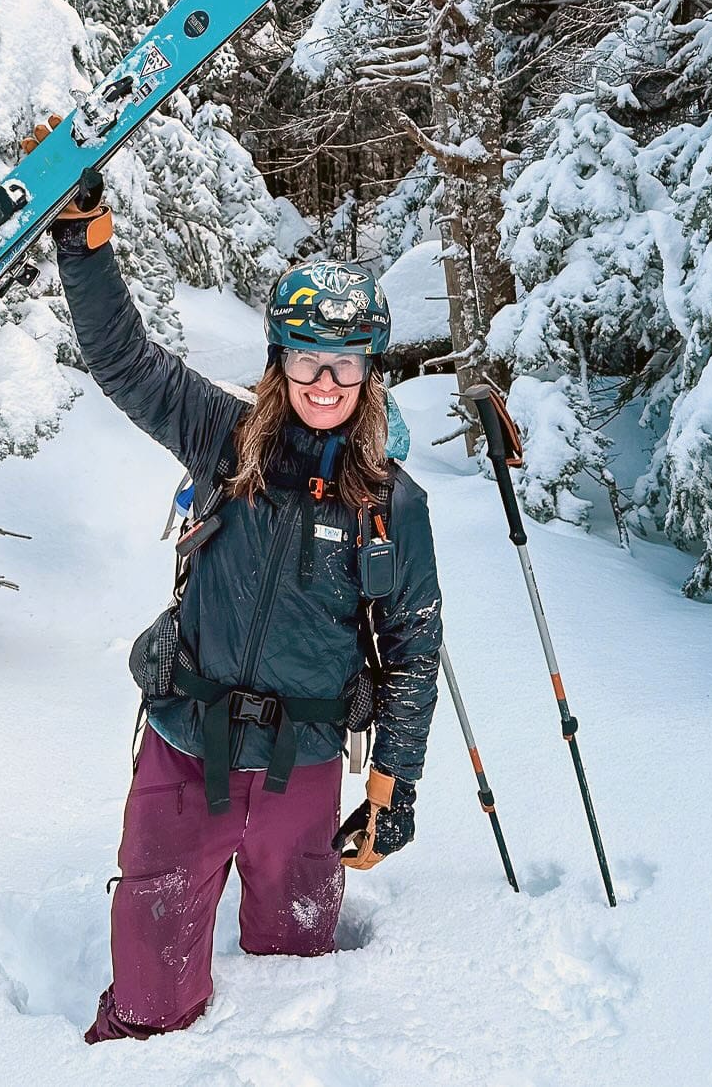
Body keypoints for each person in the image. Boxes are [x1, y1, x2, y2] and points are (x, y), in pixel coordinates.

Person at [45, 159, 444, 1045]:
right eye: (308, 361)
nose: (326, 384)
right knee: (149, 1007)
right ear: (280, 362)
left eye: (346, 365)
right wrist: (85, 240)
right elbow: (123, 361)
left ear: (370, 373)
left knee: (295, 979)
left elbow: (414, 647)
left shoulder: (393, 503)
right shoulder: (223, 439)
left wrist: (393, 784)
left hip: (304, 761)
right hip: (191, 739)